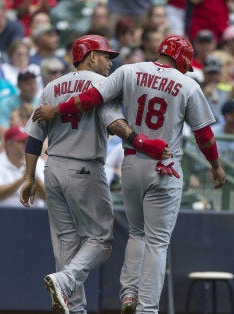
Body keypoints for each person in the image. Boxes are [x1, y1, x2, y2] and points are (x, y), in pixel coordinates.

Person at [40, 35, 227, 314]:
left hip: (131, 163)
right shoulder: (188, 83)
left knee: (137, 234)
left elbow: (92, 98)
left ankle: (129, 294)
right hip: (164, 164)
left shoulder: (129, 70)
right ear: (183, 59)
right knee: (157, 242)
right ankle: (146, 309)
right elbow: (204, 134)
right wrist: (215, 165)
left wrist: (58, 108)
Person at [20, 35, 173, 314]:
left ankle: (74, 308)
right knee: (101, 240)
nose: (109, 63)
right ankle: (65, 280)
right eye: (105, 56)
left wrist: (30, 177)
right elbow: (113, 123)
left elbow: (33, 138)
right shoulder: (102, 85)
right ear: (90, 56)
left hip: (52, 168)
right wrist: (141, 141)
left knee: (67, 241)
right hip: (84, 166)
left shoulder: (52, 87)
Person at [0, 126, 45, 207]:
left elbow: (48, 197)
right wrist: (22, 180)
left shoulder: (38, 162)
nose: (26, 144)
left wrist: (34, 178)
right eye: (21, 141)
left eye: (27, 141)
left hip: (33, 215)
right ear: (8, 144)